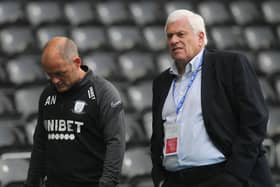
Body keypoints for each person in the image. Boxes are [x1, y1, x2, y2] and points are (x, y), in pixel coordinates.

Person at [151, 9, 275, 187]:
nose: (173, 40)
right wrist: (160, 177)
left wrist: (235, 174)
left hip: (221, 176)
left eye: (180, 34)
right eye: (169, 36)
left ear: (200, 38)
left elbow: (255, 119)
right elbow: (157, 136)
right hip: (176, 180)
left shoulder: (230, 65)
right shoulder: (161, 82)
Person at [25, 37, 126, 187]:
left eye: (60, 73)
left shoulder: (103, 93)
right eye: (49, 75)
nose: (55, 81)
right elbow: (40, 145)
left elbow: (115, 144)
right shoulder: (47, 95)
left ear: (77, 62)